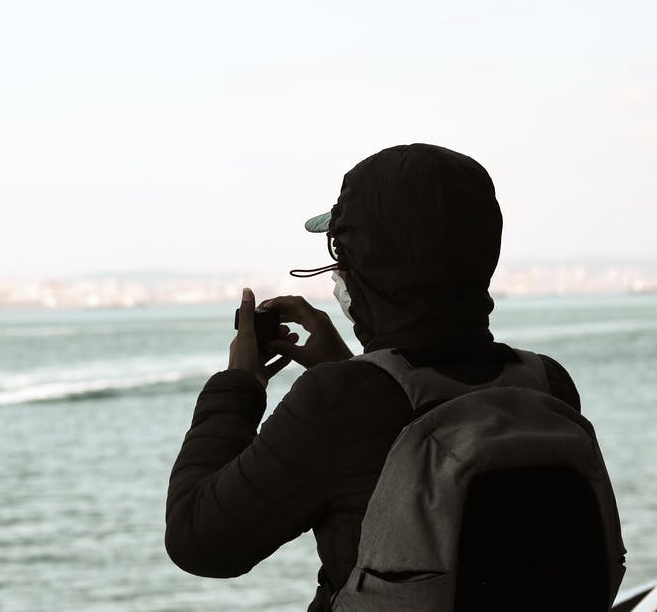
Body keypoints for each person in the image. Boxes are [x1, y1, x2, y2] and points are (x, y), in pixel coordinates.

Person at [164, 143, 587, 611]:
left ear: (361, 262)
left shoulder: (340, 400)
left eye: (340, 253)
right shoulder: (547, 383)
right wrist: (351, 367)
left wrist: (238, 386)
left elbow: (198, 540)